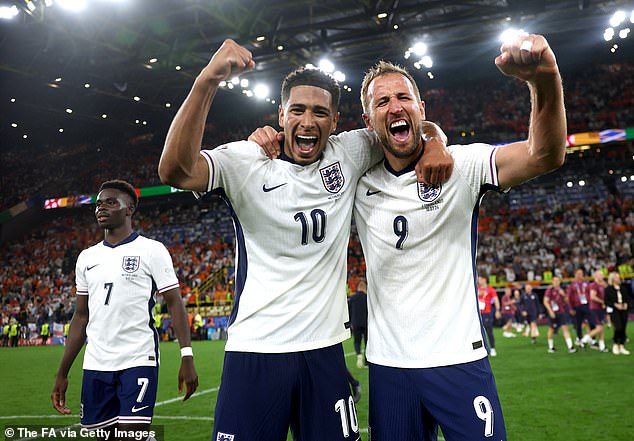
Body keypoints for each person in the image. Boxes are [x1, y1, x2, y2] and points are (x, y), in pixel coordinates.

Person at [158, 39, 451, 441]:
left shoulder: (349, 150)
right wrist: (208, 80)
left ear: (335, 121)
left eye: (319, 112)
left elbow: (407, 126)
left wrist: (436, 142)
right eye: (297, 110)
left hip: (325, 352)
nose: (307, 121)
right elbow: (174, 170)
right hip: (256, 351)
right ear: (281, 114)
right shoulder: (246, 161)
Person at [351, 33, 565, 440]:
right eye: (382, 102)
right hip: (389, 367)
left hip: (459, 361)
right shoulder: (357, 182)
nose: (395, 106)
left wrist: (544, 79)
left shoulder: (462, 167)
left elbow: (545, 155)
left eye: (404, 98)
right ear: (367, 122)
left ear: (420, 108)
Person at [51, 180, 198, 435]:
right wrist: (62, 372)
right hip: (96, 363)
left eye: (110, 202)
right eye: (98, 204)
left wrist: (187, 355)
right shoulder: (86, 258)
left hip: (138, 358)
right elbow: (81, 317)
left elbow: (174, 303)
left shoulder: (152, 250)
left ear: (129, 209)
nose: (101, 208)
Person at [543, 277, 577, 353]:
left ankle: (570, 346)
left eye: (558, 281)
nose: (556, 282)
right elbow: (545, 301)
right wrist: (550, 311)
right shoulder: (549, 290)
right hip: (553, 311)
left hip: (561, 311)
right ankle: (550, 347)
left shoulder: (561, 290)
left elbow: (566, 301)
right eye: (555, 281)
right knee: (551, 329)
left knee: (565, 328)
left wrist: (563, 295)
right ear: (552, 281)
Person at [566, 268, 596, 347]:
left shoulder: (586, 283)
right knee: (578, 324)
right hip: (577, 306)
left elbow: (590, 294)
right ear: (575, 274)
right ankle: (580, 339)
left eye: (581, 273)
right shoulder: (572, 285)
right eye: (578, 273)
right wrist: (570, 308)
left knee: (592, 321)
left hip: (586, 305)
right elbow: (568, 298)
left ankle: (592, 338)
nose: (580, 275)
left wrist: (591, 304)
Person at [604, 271, 632, 355]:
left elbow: (628, 298)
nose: (618, 279)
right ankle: (616, 344)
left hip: (624, 310)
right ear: (612, 279)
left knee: (623, 328)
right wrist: (615, 305)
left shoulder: (623, 288)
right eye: (617, 277)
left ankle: (622, 346)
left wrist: (626, 304)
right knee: (618, 327)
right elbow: (607, 301)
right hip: (615, 311)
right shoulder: (608, 289)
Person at [477, 276, 501, 356]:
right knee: (478, 333)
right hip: (478, 314)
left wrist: (497, 310)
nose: (478, 280)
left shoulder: (491, 290)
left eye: (480, 279)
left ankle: (492, 348)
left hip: (487, 313)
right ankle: (483, 349)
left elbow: (496, 300)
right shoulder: (476, 289)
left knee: (489, 331)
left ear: (484, 279)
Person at [348, 280, 368, 368]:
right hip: (366, 323)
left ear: (358, 288)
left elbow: (348, 311)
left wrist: (349, 323)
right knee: (367, 342)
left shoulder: (352, 298)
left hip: (355, 323)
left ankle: (359, 354)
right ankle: (367, 362)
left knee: (357, 341)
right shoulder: (367, 298)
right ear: (365, 288)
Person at [587, 270, 609, 352]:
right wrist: (602, 302)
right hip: (595, 308)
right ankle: (585, 339)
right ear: (596, 276)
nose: (602, 276)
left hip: (600, 308)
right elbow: (592, 296)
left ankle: (602, 346)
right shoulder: (594, 285)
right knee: (599, 327)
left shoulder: (601, 285)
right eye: (601, 275)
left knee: (601, 328)